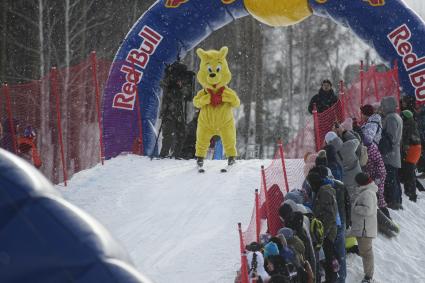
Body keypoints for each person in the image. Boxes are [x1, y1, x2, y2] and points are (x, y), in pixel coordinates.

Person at [159, 61, 194, 158]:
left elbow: (186, 94)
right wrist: (172, 84)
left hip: (177, 110)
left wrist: (180, 86)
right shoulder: (168, 79)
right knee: (168, 135)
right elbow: (163, 85)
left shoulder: (183, 82)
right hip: (168, 110)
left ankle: (176, 154)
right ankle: (164, 154)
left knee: (181, 134)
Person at [349, 173, 378, 283]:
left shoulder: (367, 193)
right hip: (363, 227)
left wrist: (355, 208)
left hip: (365, 229)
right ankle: (368, 274)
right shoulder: (365, 191)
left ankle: (369, 276)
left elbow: (368, 210)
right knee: (365, 252)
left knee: (367, 253)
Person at [360, 104, 388, 216]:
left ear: (366, 114)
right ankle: (381, 215)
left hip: (372, 157)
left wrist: (358, 131)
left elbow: (368, 139)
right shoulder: (370, 123)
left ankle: (384, 217)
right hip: (372, 159)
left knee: (376, 192)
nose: (361, 116)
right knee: (376, 192)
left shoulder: (372, 124)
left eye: (362, 113)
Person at [380, 96, 403, 210]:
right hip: (394, 153)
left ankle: (393, 201)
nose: (382, 108)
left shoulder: (390, 118)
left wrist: (382, 138)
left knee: (390, 179)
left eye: (383, 106)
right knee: (394, 178)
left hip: (390, 154)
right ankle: (397, 200)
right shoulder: (396, 117)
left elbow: (391, 137)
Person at [400, 110, 422, 202]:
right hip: (415, 149)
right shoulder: (411, 124)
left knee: (409, 171)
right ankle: (410, 191)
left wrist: (404, 148)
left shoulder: (408, 126)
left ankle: (412, 194)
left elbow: (405, 139)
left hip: (412, 149)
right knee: (410, 171)